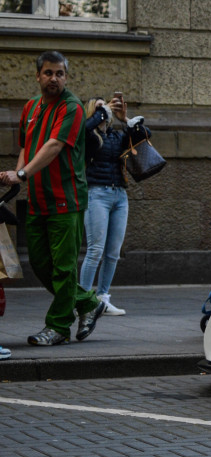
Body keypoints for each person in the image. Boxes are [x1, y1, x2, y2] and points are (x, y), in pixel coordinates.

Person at [1, 51, 104, 346]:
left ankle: (58, 326)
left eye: (59, 74)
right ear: (38, 76)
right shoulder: (31, 107)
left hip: (65, 200)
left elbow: (54, 146)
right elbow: (27, 146)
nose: (54, 79)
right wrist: (18, 174)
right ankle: (87, 302)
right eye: (48, 73)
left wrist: (21, 175)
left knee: (63, 267)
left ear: (66, 77)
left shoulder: (70, 107)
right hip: (36, 200)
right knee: (40, 263)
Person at [79, 92, 147, 316]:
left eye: (106, 108)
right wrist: (102, 112)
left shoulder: (116, 136)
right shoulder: (89, 136)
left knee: (113, 252)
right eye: (99, 109)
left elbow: (144, 138)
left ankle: (103, 298)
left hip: (120, 197)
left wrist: (125, 119)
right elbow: (82, 130)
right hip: (96, 194)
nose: (105, 113)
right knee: (95, 250)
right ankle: (83, 299)